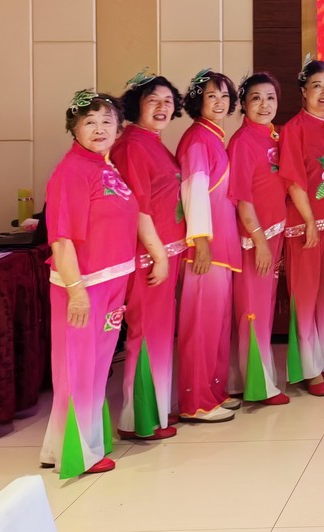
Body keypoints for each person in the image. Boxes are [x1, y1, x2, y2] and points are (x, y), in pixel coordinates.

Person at [40, 91, 152, 478]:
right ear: (74, 129)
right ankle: (77, 454)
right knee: (79, 368)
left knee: (94, 367)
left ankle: (62, 445)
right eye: (89, 122)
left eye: (107, 121)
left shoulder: (105, 167)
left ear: (119, 128)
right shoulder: (72, 171)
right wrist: (76, 292)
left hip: (110, 282)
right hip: (85, 286)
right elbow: (61, 240)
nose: (99, 129)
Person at [112, 71, 184, 441]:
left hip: (163, 252)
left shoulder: (152, 141)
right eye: (152, 100)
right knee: (144, 335)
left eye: (168, 101)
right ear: (135, 105)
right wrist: (158, 255)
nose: (162, 107)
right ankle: (138, 420)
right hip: (149, 257)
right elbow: (138, 208)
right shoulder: (132, 146)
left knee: (157, 334)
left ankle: (154, 409)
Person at [176, 69, 242, 423]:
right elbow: (194, 191)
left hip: (222, 248)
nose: (219, 102)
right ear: (198, 101)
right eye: (211, 96)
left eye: (224, 96)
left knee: (217, 325)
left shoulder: (213, 137)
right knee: (201, 326)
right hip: (207, 250)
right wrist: (200, 242)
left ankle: (214, 392)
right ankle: (196, 402)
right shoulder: (198, 139)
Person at [280, 57, 324, 396]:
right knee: (304, 296)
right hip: (305, 226)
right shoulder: (295, 129)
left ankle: (316, 362)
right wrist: (309, 221)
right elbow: (293, 181)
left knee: (323, 294)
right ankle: (307, 369)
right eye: (317, 86)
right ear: (303, 91)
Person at [227, 72, 290, 405]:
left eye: (270, 98)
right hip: (255, 240)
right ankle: (258, 387)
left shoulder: (273, 137)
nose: (264, 105)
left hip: (273, 234)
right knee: (252, 311)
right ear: (243, 104)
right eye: (256, 98)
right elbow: (242, 199)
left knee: (262, 311)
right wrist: (261, 240)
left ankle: (246, 380)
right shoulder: (242, 142)